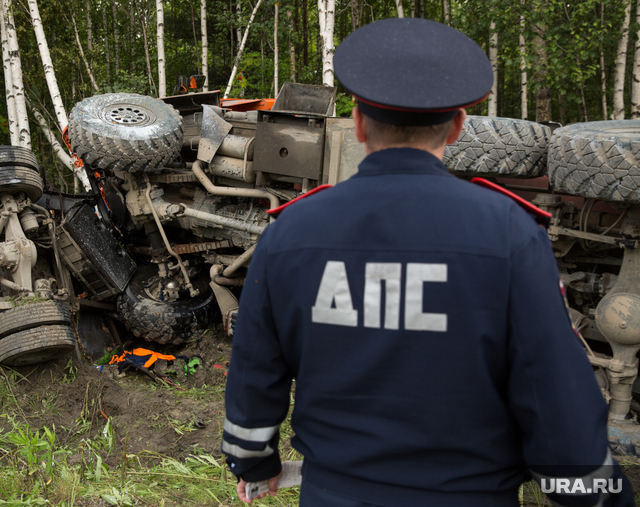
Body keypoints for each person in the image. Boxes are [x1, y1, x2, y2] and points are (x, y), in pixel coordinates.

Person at [222, 17, 633, 507]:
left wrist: (254, 463)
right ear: (459, 127)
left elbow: (254, 371)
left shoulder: (291, 232)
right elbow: (553, 393)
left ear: (356, 124)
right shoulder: (508, 233)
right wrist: (596, 495)